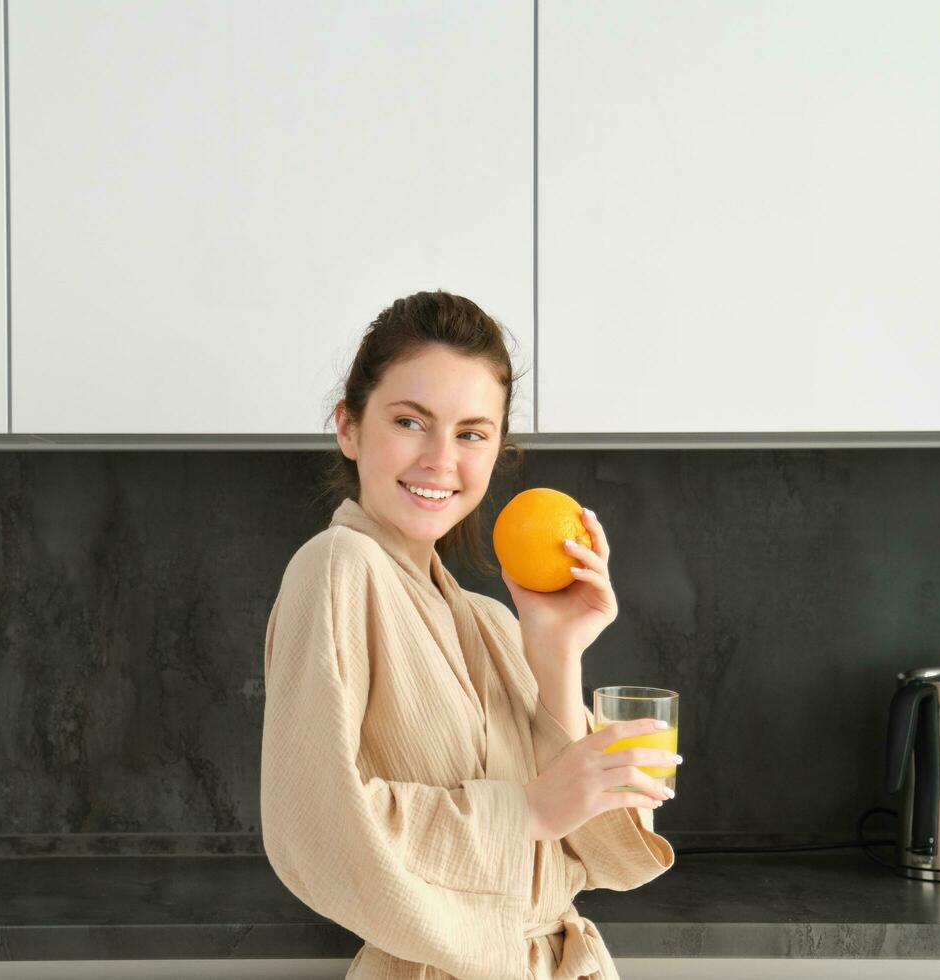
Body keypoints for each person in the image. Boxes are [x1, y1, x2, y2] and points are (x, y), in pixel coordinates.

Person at [260, 290, 680, 980]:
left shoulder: (488, 621)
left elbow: (598, 854)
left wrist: (557, 651)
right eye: (409, 421)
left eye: (471, 433)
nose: (439, 460)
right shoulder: (337, 569)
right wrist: (528, 810)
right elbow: (317, 830)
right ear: (349, 427)